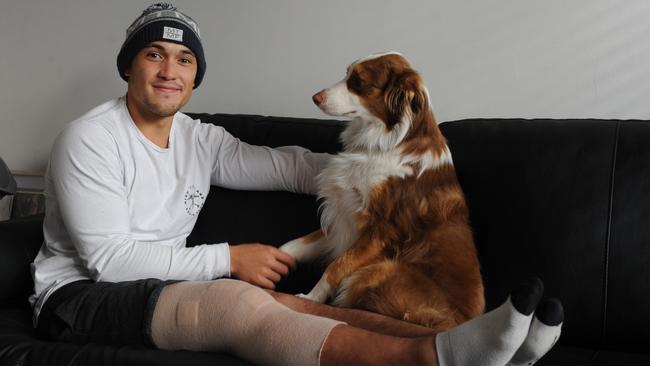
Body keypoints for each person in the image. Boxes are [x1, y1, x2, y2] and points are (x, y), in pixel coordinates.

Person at [30, 3, 564, 366]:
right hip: (80, 299)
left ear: (195, 77)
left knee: (306, 307)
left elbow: (291, 166)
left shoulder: (199, 140)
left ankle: (483, 349)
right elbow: (111, 262)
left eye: (184, 59)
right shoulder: (88, 139)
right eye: (155, 55)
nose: (170, 70)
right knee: (240, 306)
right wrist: (228, 259)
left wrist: (400, 176)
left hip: (160, 287)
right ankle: (432, 358)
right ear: (129, 67)